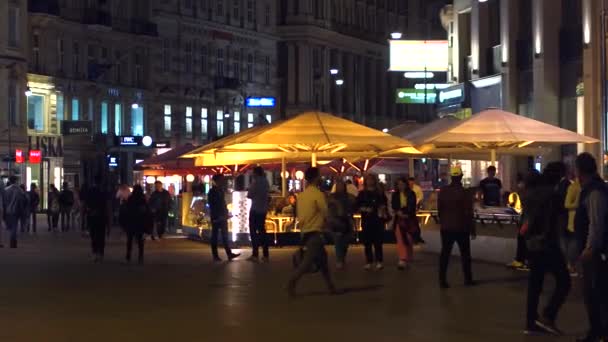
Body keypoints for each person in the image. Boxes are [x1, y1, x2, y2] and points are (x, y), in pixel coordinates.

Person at [523, 162, 571, 336]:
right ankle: (548, 315)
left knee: (535, 284)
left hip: (532, 244)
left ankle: (530, 321)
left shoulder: (531, 193)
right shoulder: (553, 195)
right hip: (548, 244)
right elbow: (558, 222)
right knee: (564, 281)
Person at [287, 167, 337, 297]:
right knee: (307, 262)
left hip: (305, 231)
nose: (321, 178)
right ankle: (292, 281)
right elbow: (325, 213)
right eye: (319, 176)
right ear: (316, 178)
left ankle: (331, 286)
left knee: (323, 260)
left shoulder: (302, 195)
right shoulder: (317, 194)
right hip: (314, 231)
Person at [574, 153, 608, 342]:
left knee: (596, 293)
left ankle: (599, 333)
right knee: (593, 293)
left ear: (580, 171)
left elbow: (596, 224)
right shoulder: (592, 189)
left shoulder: (595, 192)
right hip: (594, 251)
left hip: (596, 253)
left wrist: (589, 248)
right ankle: (597, 332)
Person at [437, 166, 476, 289]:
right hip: (461, 227)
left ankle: (442, 280)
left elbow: (440, 210)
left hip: (446, 227)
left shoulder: (443, 191)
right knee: (465, 255)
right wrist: (472, 229)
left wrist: (443, 222)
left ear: (451, 177)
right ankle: (467, 279)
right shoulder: (465, 193)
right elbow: (469, 212)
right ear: (460, 177)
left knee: (445, 254)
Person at [356, 174, 389, 270]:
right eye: (368, 180)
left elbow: (384, 204)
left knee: (378, 241)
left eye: (371, 180)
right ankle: (369, 261)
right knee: (367, 242)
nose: (370, 182)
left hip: (377, 219)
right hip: (366, 219)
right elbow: (357, 205)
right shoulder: (362, 194)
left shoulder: (379, 193)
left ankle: (379, 261)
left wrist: (382, 208)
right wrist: (364, 209)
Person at [207, 174, 240, 262]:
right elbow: (213, 205)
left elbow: (222, 203)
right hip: (217, 216)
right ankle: (216, 255)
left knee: (224, 235)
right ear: (216, 181)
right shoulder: (213, 191)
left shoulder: (220, 190)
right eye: (221, 180)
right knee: (215, 236)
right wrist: (218, 215)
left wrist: (225, 213)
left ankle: (228, 254)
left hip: (222, 216)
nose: (222, 181)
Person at [327, 179, 355, 269]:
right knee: (338, 240)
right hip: (336, 221)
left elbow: (353, 208)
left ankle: (342, 258)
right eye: (338, 186)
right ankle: (339, 260)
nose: (340, 188)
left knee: (345, 242)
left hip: (346, 221)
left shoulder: (349, 197)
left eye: (342, 186)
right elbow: (328, 209)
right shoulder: (331, 197)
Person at [391, 177, 417, 270]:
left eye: (402, 184)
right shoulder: (395, 195)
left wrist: (407, 214)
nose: (400, 186)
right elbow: (394, 205)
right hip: (399, 219)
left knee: (408, 238)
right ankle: (402, 258)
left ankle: (408, 255)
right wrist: (398, 212)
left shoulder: (411, 194)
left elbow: (413, 206)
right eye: (399, 184)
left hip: (409, 219)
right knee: (400, 238)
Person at [247, 166, 270, 262]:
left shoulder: (255, 182)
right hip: (263, 209)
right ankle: (265, 254)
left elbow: (249, 195)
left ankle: (255, 254)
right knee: (262, 232)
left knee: (253, 232)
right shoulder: (266, 182)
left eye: (253, 173)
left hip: (255, 209)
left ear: (256, 173)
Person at [506, 174, 529, 270]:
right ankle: (521, 260)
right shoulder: (528, 190)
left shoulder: (522, 190)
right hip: (525, 218)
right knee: (522, 239)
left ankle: (521, 261)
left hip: (525, 219)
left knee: (522, 239)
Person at [84, 177, 108, 263]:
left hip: (92, 216)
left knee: (93, 235)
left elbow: (87, 204)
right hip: (101, 217)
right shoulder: (103, 192)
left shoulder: (91, 191)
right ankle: (101, 253)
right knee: (101, 236)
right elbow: (106, 205)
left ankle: (95, 252)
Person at [124, 185, 149, 264]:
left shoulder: (131, 198)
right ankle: (140, 257)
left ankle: (128, 256)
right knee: (140, 240)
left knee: (130, 239)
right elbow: (145, 210)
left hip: (131, 221)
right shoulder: (142, 199)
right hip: (140, 221)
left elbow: (127, 209)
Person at [563, 177, 581, 276]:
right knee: (574, 243)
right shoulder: (573, 187)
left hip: (580, 220)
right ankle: (571, 265)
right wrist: (578, 203)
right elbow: (567, 204)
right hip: (574, 220)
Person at [3, 176, 26, 248]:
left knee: (10, 226)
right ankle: (13, 242)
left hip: (7, 210)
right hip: (16, 210)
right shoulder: (19, 190)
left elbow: (4, 201)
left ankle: (12, 239)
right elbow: (23, 200)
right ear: (15, 181)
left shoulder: (6, 190)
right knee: (14, 226)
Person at [408, 177, 425, 244]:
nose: (411, 184)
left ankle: (416, 238)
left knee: (415, 224)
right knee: (411, 225)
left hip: (415, 208)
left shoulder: (417, 188)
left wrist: (417, 202)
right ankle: (413, 238)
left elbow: (420, 197)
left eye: (412, 182)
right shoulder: (406, 189)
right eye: (409, 182)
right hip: (409, 209)